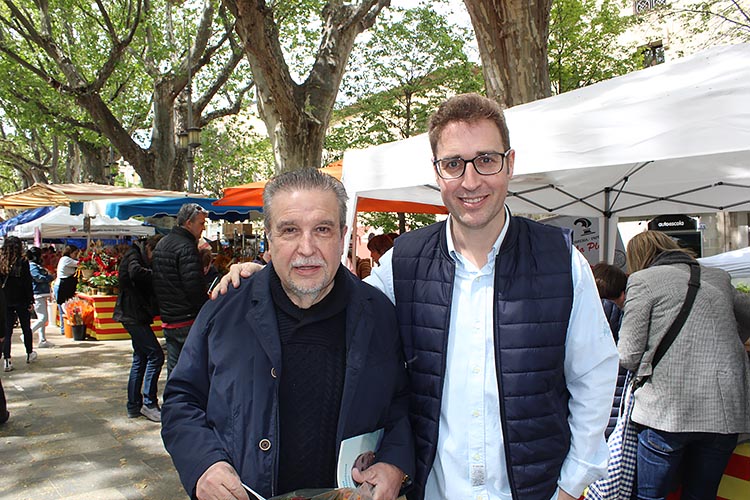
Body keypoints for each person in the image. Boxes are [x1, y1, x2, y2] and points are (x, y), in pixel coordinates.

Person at [214, 94, 619, 500]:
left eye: (486, 160)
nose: (471, 180)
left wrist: (570, 486)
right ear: (437, 172)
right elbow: (335, 299)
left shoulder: (561, 261)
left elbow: (594, 379)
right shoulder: (403, 262)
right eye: (454, 164)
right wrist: (271, 279)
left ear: (510, 164)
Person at [162, 169, 414, 500]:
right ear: (269, 238)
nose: (306, 248)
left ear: (343, 236)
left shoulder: (379, 315)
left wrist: (395, 463)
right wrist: (204, 465)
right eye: (290, 230)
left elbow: (402, 402)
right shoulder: (224, 310)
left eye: (322, 229)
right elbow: (182, 399)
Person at [618, 230, 750, 500]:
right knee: (702, 495)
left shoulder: (642, 280)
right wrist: (731, 342)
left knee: (651, 497)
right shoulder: (718, 277)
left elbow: (628, 354)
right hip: (723, 410)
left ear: (637, 257)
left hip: (666, 410)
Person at [151, 203, 208, 376]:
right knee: (194, 371)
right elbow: (194, 287)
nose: (203, 228)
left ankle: (173, 394)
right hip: (186, 319)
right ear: (189, 223)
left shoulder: (162, 243)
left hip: (169, 318)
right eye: (201, 223)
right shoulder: (186, 247)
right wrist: (206, 310)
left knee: (175, 371)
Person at [114, 235, 164, 423]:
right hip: (132, 314)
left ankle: (134, 405)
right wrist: (158, 274)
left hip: (135, 313)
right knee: (155, 355)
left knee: (140, 358)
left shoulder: (136, 254)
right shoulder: (134, 254)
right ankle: (148, 403)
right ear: (150, 248)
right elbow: (135, 273)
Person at [591, 262, 629, 438]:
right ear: (622, 294)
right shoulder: (628, 323)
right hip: (617, 420)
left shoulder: (573, 318)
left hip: (580, 417)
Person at [0, 236, 37, 372]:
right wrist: (30, 300)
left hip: (5, 300)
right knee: (26, 328)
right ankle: (29, 353)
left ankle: (7, 359)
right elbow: (27, 283)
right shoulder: (23, 261)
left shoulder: (1, 261)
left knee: (7, 331)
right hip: (21, 300)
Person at [27, 246, 55, 348]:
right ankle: (27, 334)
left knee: (42, 318)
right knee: (43, 318)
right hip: (38, 294)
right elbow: (38, 278)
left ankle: (42, 340)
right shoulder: (32, 266)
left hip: (41, 293)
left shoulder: (35, 265)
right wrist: (50, 277)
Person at [55, 245, 80, 334]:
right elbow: (80, 263)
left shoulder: (66, 259)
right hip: (62, 286)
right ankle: (65, 329)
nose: (76, 256)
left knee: (64, 309)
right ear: (70, 252)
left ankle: (65, 329)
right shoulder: (66, 259)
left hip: (65, 285)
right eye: (75, 253)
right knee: (64, 309)